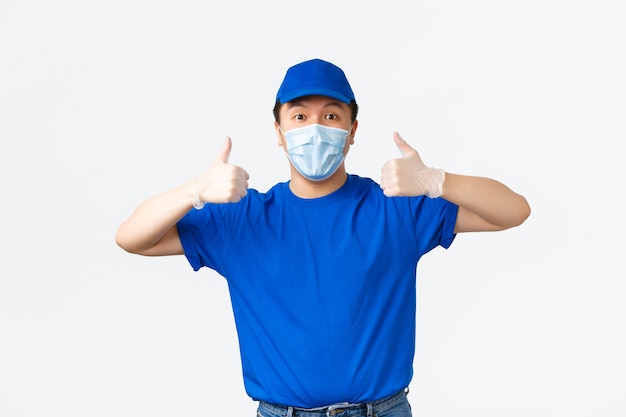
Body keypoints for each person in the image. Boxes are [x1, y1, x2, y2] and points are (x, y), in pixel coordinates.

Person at [115, 58, 530, 417]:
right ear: (278, 131)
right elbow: (132, 238)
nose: (315, 129)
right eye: (299, 116)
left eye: (331, 116)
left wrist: (436, 180)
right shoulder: (242, 219)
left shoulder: (396, 206)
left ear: (352, 130)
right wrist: (194, 191)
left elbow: (512, 211)